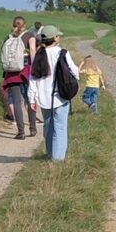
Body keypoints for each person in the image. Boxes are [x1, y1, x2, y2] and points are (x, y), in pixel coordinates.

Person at [27, 24, 79, 161]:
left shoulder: (38, 54)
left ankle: (50, 153)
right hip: (60, 96)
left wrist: (32, 99)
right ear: (55, 38)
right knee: (60, 127)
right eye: (58, 35)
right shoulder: (62, 53)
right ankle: (57, 159)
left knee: (48, 126)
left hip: (43, 99)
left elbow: (33, 78)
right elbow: (74, 71)